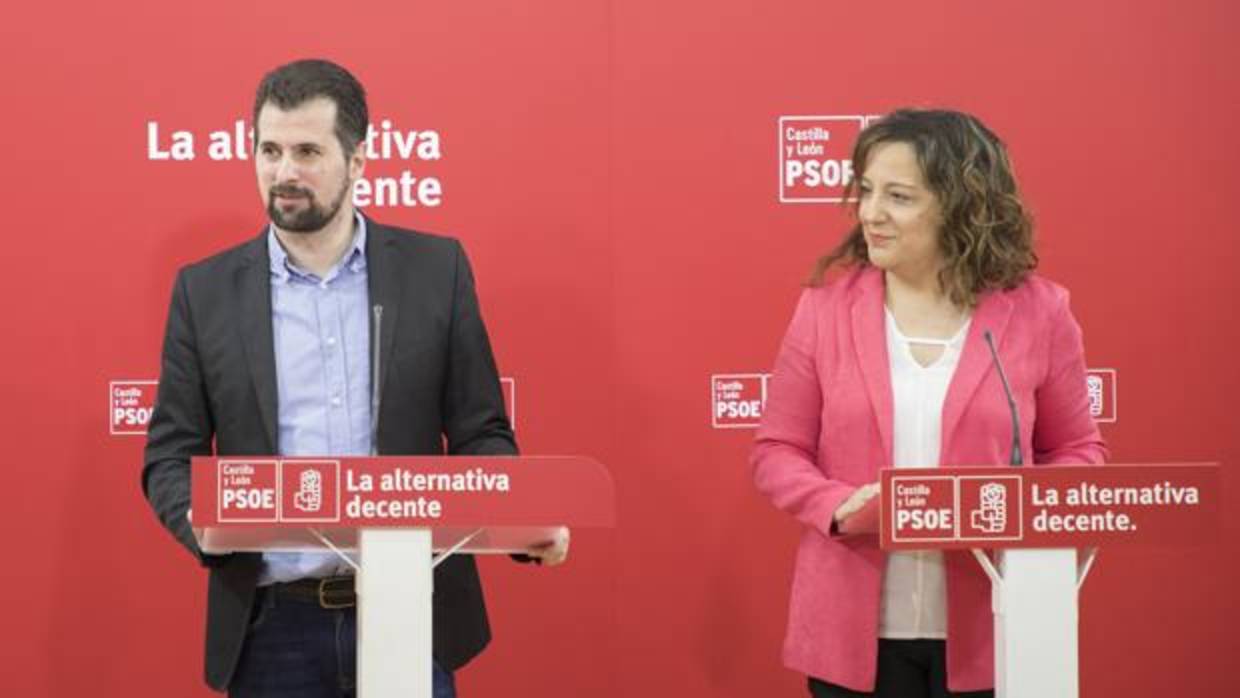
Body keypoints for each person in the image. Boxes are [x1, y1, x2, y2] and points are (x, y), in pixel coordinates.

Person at [141, 58, 568, 698]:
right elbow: (169, 454)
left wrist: (519, 516)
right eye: (269, 150)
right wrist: (199, 518)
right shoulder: (204, 292)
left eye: (308, 151)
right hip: (270, 627)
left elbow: (481, 431)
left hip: (409, 612)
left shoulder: (436, 270)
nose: (284, 172)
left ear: (359, 160)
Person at [750, 108, 1106, 697]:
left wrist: (1014, 508)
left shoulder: (1041, 313)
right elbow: (777, 450)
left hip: (996, 624)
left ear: (960, 205)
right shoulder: (823, 312)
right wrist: (839, 505)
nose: (871, 214)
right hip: (851, 634)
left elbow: (1077, 451)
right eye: (865, 191)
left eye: (899, 196)